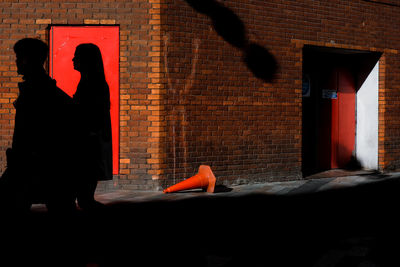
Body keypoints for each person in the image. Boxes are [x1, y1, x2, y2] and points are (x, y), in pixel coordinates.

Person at [0, 38, 76, 214]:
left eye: (19, 57)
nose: (16, 62)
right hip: (34, 164)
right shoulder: (43, 87)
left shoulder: (37, 90)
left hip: (33, 165)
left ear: (29, 59)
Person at [72, 43, 112, 210]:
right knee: (85, 199)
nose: (73, 59)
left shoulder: (92, 84)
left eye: (77, 55)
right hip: (91, 142)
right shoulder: (92, 82)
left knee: (85, 199)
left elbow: (87, 112)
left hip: (88, 143)